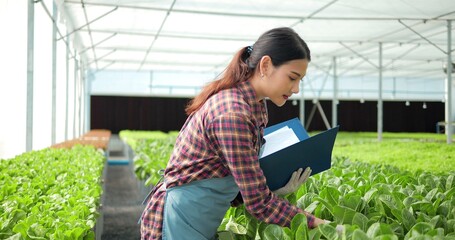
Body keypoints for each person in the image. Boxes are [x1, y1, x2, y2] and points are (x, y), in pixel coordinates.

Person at [140, 27, 333, 240]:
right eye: (292, 77)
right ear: (266, 65)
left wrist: (273, 187)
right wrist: (320, 224)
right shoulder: (233, 113)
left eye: (300, 81)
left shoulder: (256, 105)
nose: (296, 89)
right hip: (180, 217)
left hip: (199, 213)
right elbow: (259, 204)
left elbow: (224, 171)